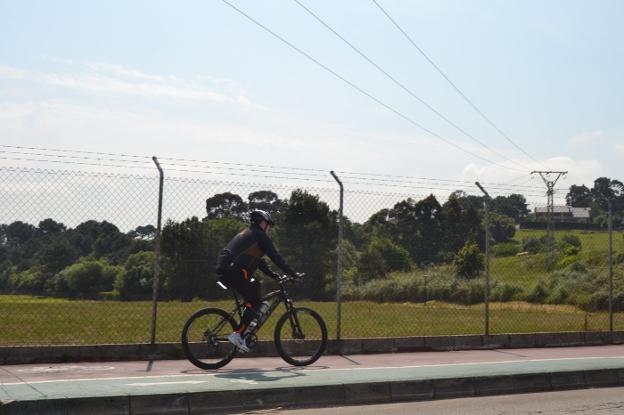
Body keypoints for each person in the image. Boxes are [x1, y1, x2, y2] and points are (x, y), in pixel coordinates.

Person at [215, 209, 301, 352]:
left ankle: (243, 330)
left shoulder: (249, 234)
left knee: (255, 288)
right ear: (262, 222)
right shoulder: (259, 235)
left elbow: (260, 262)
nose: (268, 228)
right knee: (255, 301)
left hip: (227, 268)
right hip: (236, 270)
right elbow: (275, 256)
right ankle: (238, 334)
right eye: (268, 224)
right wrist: (293, 273)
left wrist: (274, 275)